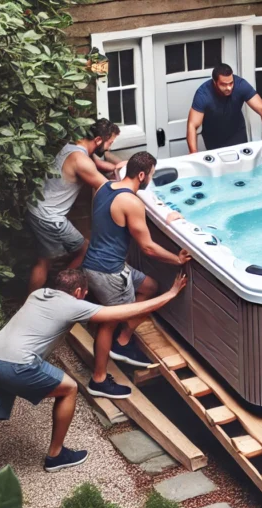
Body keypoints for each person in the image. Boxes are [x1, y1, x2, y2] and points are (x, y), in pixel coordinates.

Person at [0, 268, 188, 471]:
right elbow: (122, 312)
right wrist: (169, 294)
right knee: (69, 388)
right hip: (18, 364)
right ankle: (56, 455)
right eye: (85, 293)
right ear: (79, 291)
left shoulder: (37, 294)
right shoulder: (73, 304)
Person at [81, 151, 192, 399]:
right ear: (142, 175)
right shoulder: (131, 202)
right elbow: (148, 247)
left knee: (149, 287)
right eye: (150, 175)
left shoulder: (105, 186)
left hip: (98, 264)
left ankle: (123, 341)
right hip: (109, 272)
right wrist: (177, 259)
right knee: (108, 322)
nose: (150, 179)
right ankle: (98, 379)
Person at [27, 119, 121, 293]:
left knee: (44, 260)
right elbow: (109, 190)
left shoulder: (75, 145)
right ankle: (60, 292)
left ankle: (32, 302)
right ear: (99, 140)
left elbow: (99, 165)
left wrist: (118, 166)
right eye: (110, 143)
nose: (109, 148)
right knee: (84, 250)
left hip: (37, 208)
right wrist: (129, 179)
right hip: (49, 217)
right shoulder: (81, 161)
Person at [187, 63, 262, 152]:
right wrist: (193, 152)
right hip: (214, 137)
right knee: (220, 169)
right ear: (214, 82)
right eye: (224, 85)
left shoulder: (240, 85)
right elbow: (192, 125)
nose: (229, 88)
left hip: (237, 133)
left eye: (231, 83)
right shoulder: (203, 94)